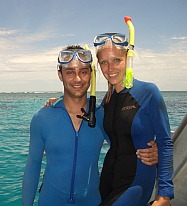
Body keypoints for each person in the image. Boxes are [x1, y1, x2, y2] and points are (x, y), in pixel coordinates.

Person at [22, 45, 158, 206]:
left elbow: (125, 146)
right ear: (60, 75)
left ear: (91, 75)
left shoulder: (101, 115)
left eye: (83, 72)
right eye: (70, 72)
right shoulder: (42, 118)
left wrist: (154, 150)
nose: (77, 79)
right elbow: (33, 165)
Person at [93, 33, 174, 206]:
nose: (110, 68)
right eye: (104, 62)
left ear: (127, 60)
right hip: (108, 178)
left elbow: (165, 142)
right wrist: (59, 102)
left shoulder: (148, 92)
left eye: (116, 60)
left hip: (137, 180)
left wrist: (164, 196)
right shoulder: (106, 102)